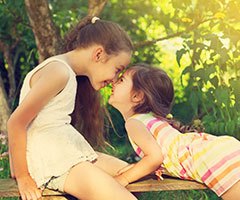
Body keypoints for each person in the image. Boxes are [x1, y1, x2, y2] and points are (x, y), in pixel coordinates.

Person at [7, 16, 137, 200]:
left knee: (133, 173)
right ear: (98, 54)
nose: (115, 80)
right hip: (52, 160)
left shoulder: (66, 72)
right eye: (117, 69)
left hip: (65, 152)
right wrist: (22, 176)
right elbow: (16, 123)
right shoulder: (58, 72)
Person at [108, 63, 240, 200]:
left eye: (121, 80)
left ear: (137, 96)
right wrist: (135, 167)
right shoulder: (148, 118)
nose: (113, 83)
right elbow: (158, 155)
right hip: (216, 150)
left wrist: (123, 178)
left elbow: (155, 157)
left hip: (210, 158)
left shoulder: (133, 123)